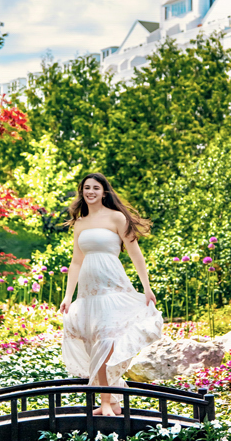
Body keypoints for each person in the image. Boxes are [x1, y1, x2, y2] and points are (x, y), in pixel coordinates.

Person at [59, 173, 163, 416]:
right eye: (87, 188)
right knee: (95, 344)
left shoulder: (117, 217)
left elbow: (136, 254)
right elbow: (76, 262)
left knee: (106, 341)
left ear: (104, 191)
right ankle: (112, 402)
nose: (91, 192)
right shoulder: (80, 223)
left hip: (112, 287)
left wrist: (146, 287)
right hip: (88, 292)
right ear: (82, 192)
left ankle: (106, 402)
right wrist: (68, 296)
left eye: (96, 187)